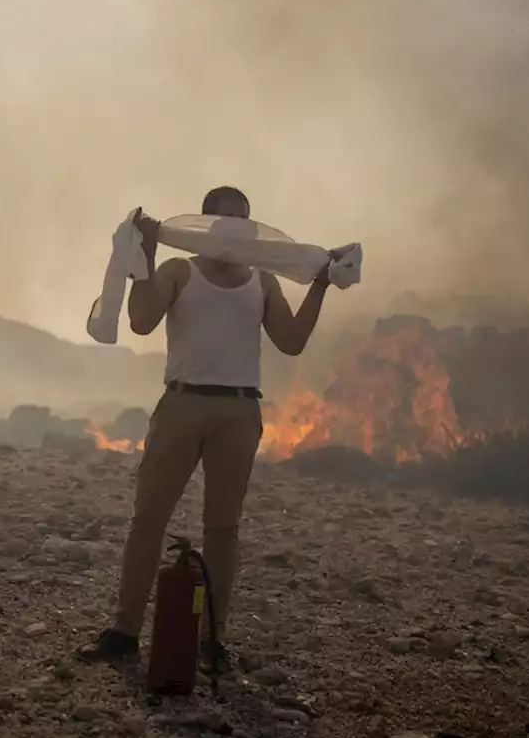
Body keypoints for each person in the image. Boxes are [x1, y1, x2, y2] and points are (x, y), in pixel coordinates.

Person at [78, 185, 337, 669]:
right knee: (149, 520)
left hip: (238, 412)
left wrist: (320, 284)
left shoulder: (262, 283)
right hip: (182, 402)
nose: (234, 227)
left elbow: (293, 341)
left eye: (243, 218)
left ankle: (211, 639)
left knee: (222, 529)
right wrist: (148, 255)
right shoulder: (181, 271)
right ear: (208, 224)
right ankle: (124, 630)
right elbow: (140, 321)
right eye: (225, 219)